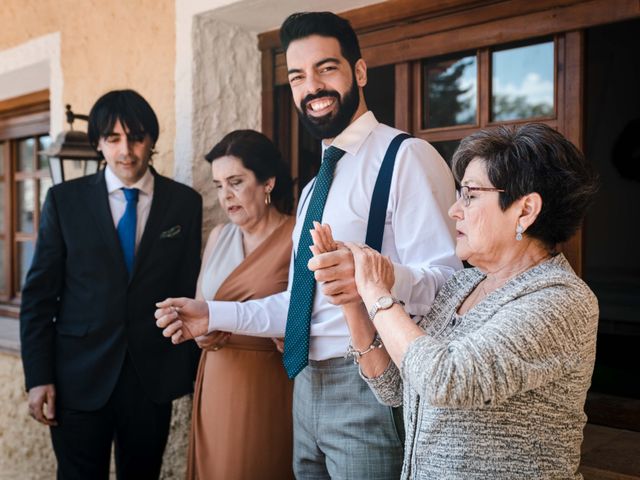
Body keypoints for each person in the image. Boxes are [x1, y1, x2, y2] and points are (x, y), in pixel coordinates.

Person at [156, 11, 461, 478]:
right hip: (303, 385)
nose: (311, 86)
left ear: (358, 72)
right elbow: (300, 306)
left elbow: (452, 287)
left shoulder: (407, 157)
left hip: (373, 384)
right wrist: (210, 313)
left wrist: (374, 277)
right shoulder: (313, 187)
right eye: (298, 76)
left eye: (326, 68)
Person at [320, 123, 599, 479]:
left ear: (525, 210)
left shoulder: (561, 300)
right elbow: (396, 387)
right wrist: (352, 298)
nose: (454, 210)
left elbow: (444, 380)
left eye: (469, 195)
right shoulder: (463, 285)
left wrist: (377, 291)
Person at [20, 89, 202, 479]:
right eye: (114, 139)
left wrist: (187, 372)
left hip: (150, 379)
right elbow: (38, 298)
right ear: (98, 143)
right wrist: (39, 378)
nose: (126, 151)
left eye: (136, 138)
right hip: (76, 379)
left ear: (151, 140)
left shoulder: (184, 203)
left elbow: (189, 289)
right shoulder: (64, 201)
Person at [186, 130, 295, 479]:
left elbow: (304, 316)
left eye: (235, 182)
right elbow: (200, 308)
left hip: (267, 382)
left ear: (268, 183)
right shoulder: (218, 237)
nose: (225, 195)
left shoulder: (297, 237)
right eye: (218, 185)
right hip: (216, 376)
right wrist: (200, 335)